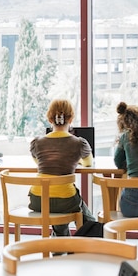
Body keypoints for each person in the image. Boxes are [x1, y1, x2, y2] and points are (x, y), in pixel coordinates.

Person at [28, 99, 97, 236]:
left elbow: (40, 164)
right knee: (71, 199)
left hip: (37, 199)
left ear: (49, 118)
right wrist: (75, 161)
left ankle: (60, 244)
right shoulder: (79, 143)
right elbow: (88, 163)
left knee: (61, 202)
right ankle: (89, 236)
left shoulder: (37, 143)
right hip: (64, 200)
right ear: (71, 119)